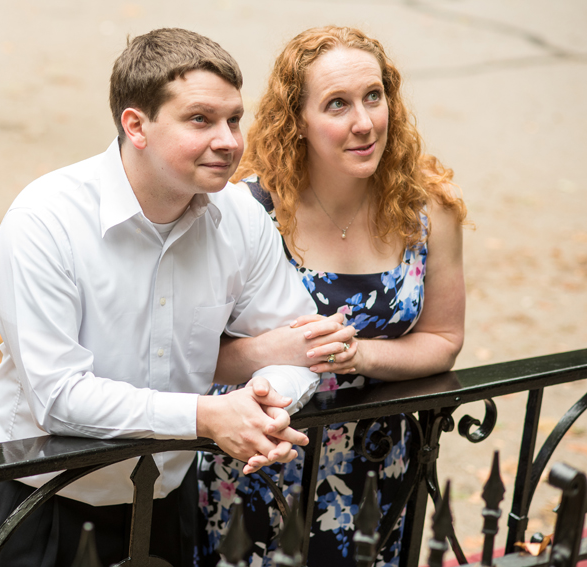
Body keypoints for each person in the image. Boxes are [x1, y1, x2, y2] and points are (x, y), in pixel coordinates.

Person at [0, 28, 356, 567]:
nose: (228, 140)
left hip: (167, 503)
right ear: (136, 126)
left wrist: (262, 403)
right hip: (40, 507)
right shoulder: (44, 222)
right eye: (200, 119)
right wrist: (208, 416)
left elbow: (302, 342)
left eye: (234, 119)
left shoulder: (241, 216)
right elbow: (58, 395)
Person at [198, 26, 468, 566]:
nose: (363, 123)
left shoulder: (427, 209)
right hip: (261, 469)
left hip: (377, 474)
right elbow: (196, 353)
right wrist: (284, 351)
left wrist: (360, 354)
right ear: (297, 120)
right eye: (337, 105)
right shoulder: (245, 212)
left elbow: (444, 339)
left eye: (374, 96)